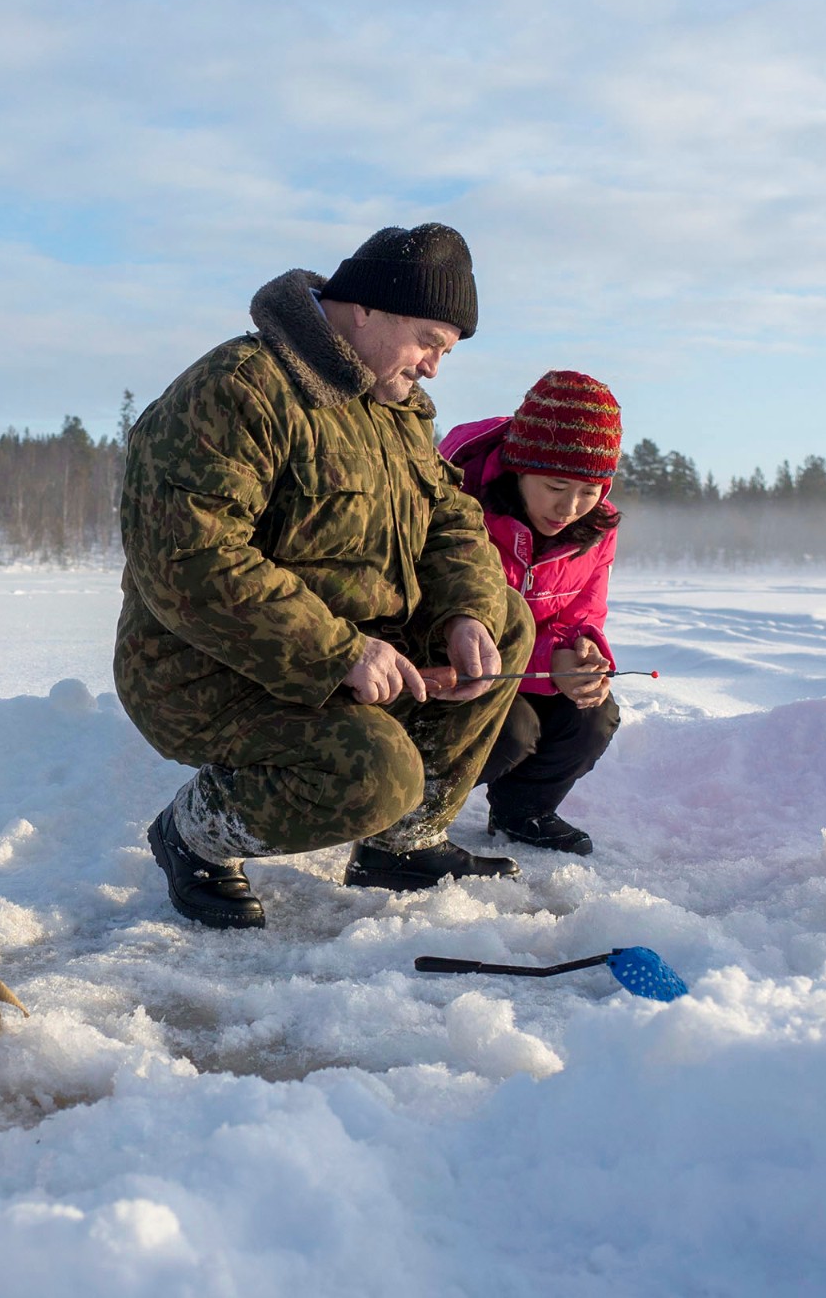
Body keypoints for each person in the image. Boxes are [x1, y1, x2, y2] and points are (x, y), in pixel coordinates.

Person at [115, 223, 534, 929]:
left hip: (351, 653)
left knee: (505, 622)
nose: (434, 366)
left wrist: (465, 614)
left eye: (446, 351)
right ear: (365, 308)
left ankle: (402, 845)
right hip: (204, 669)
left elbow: (451, 519)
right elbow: (189, 557)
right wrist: (338, 653)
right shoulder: (240, 390)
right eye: (429, 340)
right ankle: (192, 834)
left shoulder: (397, 410)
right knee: (374, 773)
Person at [438, 371, 624, 856]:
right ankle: (406, 819)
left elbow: (585, 612)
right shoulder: (459, 506)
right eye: (556, 486)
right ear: (518, 466)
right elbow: (440, 617)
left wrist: (581, 653)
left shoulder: (596, 529)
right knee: (513, 728)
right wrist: (549, 668)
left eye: (590, 491)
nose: (571, 507)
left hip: (527, 669)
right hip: (452, 673)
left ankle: (524, 812)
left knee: (592, 715)